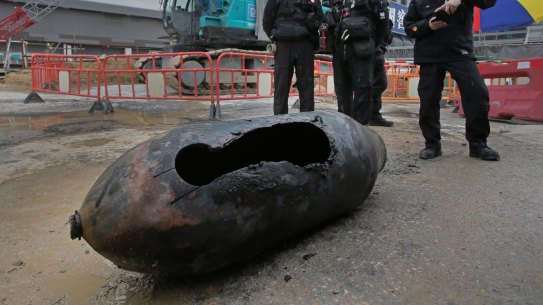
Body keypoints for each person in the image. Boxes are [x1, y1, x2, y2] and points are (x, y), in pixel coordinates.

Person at [404, 0, 500, 161]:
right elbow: (409, 27)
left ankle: (478, 144)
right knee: (428, 101)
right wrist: (427, 25)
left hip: (459, 52)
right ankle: (432, 145)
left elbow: (489, 2)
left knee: (477, 94)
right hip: (429, 56)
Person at [324, 0, 388, 125]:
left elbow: (383, 24)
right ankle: (344, 128)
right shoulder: (338, 2)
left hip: (362, 50)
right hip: (340, 50)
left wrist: (374, 46)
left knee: (363, 89)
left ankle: (361, 128)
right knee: (342, 91)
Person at [263, 0, 323, 115]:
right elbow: (319, 17)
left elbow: (267, 20)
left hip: (283, 44)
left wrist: (274, 35)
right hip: (305, 43)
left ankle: (279, 122)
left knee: (281, 86)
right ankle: (307, 122)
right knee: (306, 87)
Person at [369, 0, 394, 127]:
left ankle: (374, 114)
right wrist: (378, 47)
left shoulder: (384, 6)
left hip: (378, 49)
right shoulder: (377, 4)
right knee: (380, 83)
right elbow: (380, 28)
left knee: (376, 83)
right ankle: (363, 109)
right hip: (373, 49)